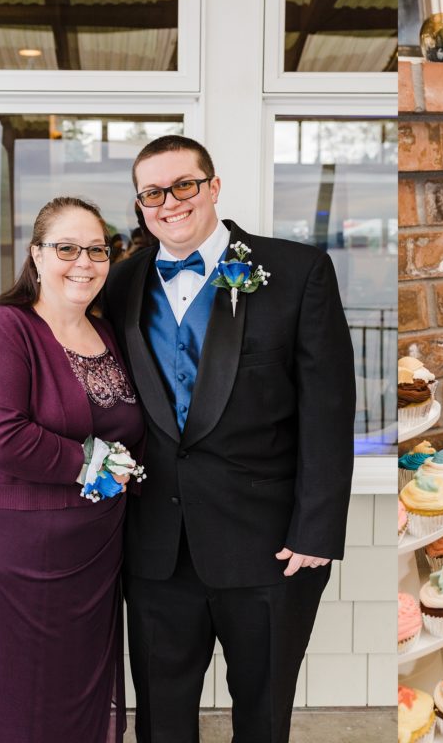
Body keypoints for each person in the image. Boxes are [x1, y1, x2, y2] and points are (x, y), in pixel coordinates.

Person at [102, 135, 355, 743]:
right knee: (161, 718)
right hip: (156, 551)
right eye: (152, 193)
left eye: (184, 185)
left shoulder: (297, 272)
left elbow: (328, 410)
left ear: (213, 187)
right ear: (140, 206)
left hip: (269, 548)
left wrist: (315, 531)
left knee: (263, 716)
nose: (170, 202)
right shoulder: (118, 283)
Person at [0, 197, 145, 743]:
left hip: (91, 553)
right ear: (36, 255)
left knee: (75, 692)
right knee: (12, 696)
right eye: (67, 248)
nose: (84, 261)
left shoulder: (108, 334)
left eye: (97, 249)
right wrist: (92, 463)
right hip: (6, 550)